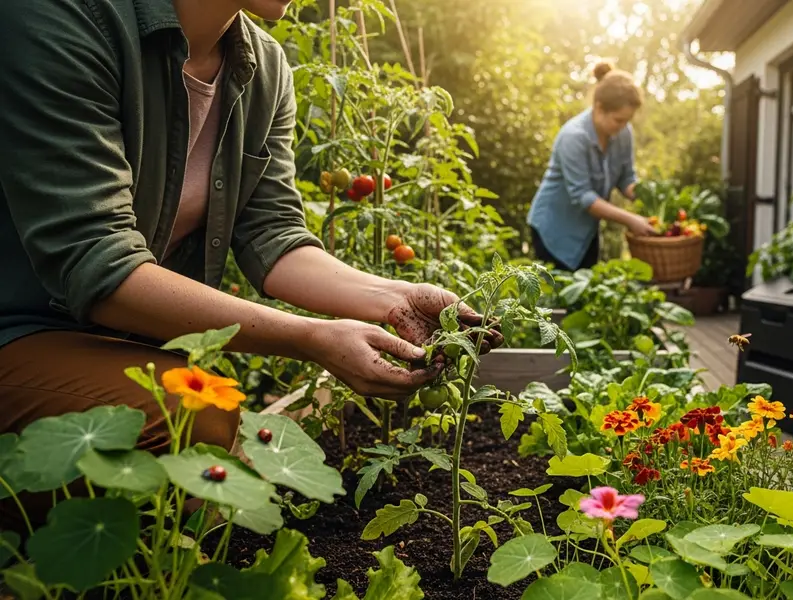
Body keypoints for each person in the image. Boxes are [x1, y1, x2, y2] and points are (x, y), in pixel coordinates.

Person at [0, 0, 500, 526]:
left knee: (199, 428)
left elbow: (274, 234)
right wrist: (310, 338)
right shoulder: (62, 17)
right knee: (196, 421)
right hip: (22, 331)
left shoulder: (262, 65)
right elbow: (96, 261)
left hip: (120, 347)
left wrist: (394, 297)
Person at [526, 62, 657, 272]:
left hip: (585, 231)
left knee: (585, 291)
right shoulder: (574, 137)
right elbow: (583, 196)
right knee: (558, 297)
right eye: (619, 120)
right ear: (599, 108)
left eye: (628, 120)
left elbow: (626, 179)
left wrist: (651, 197)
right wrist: (632, 219)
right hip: (554, 229)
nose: (624, 126)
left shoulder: (623, 133)